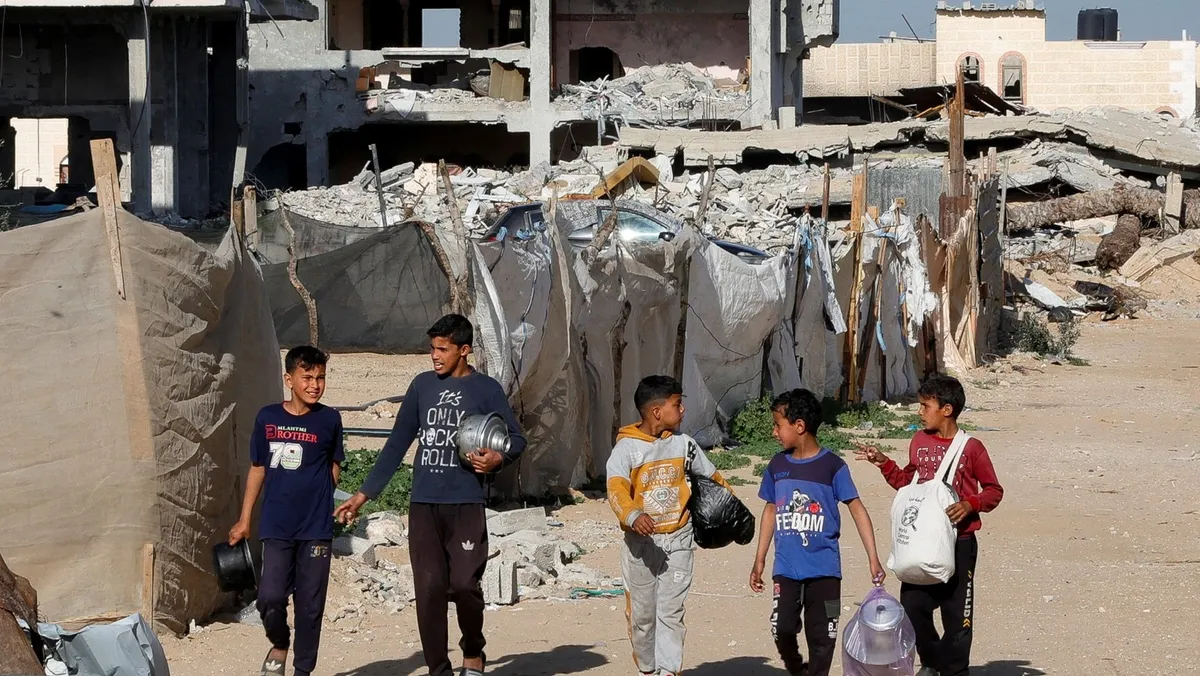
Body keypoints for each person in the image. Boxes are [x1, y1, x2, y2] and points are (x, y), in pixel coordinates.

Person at [334, 314, 526, 676]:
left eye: (442, 349)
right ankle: (439, 669)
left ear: (464, 350)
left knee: (465, 585)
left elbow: (516, 439)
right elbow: (396, 445)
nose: (434, 356)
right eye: (432, 348)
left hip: (465, 503)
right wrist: (362, 496)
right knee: (429, 589)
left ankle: (473, 650)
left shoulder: (486, 389)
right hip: (424, 504)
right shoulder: (422, 386)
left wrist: (498, 458)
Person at [855, 374, 1004, 676]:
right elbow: (906, 483)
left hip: (960, 542)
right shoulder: (919, 442)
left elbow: (993, 491)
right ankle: (932, 661)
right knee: (913, 606)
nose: (920, 412)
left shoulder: (971, 448)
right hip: (920, 542)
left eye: (925, 406)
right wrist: (883, 462)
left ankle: (955, 669)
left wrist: (970, 504)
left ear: (946, 409)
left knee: (957, 614)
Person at [749, 388, 886, 676]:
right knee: (782, 627)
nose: (774, 432)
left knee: (825, 637)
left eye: (778, 425)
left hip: (826, 572)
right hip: (786, 569)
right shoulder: (777, 466)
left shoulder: (833, 466)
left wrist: (873, 557)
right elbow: (770, 510)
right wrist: (759, 558)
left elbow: (857, 509)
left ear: (799, 426)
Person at [229, 346, 344, 676]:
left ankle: (302, 670)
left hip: (316, 529)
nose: (314, 385)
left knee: (310, 606)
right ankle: (279, 642)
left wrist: (320, 497)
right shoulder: (268, 418)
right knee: (270, 597)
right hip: (277, 526)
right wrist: (244, 519)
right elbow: (258, 469)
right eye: (306, 377)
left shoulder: (329, 419)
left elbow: (334, 465)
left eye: (320, 378)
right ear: (289, 379)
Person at [606, 375, 731, 676]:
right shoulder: (626, 449)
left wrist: (731, 509)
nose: (683, 410)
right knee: (643, 618)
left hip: (679, 540)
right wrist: (633, 516)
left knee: (671, 613)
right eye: (677, 404)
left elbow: (713, 479)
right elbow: (616, 489)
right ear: (656, 411)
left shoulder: (684, 445)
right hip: (641, 547)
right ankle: (648, 669)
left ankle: (668, 670)